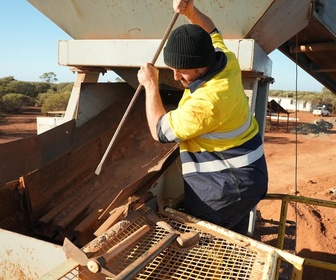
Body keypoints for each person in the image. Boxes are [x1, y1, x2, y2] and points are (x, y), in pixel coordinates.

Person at [137, 0, 268, 235]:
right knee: (232, 236)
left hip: (226, 188)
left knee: (208, 242)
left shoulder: (209, 102)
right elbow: (211, 31)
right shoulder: (224, 58)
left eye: (183, 70)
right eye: (172, 68)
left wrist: (150, 84)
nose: (176, 77)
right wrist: (190, 11)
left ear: (201, 66)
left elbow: (159, 131)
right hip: (247, 174)